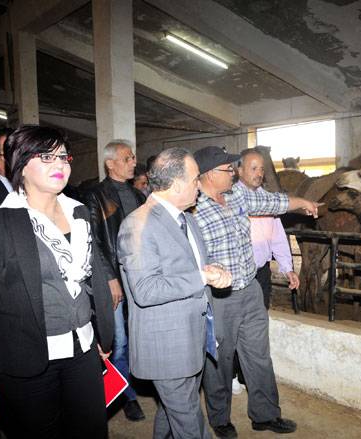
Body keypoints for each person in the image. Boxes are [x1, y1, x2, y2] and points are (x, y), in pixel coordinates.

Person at [0, 125, 114, 439]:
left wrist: (100, 329)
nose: (59, 164)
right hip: (25, 359)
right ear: (19, 163)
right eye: (46, 157)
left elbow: (86, 278)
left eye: (62, 156)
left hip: (83, 352)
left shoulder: (79, 212)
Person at [193, 146, 320, 438]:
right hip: (218, 297)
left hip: (249, 288)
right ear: (210, 174)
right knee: (220, 361)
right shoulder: (193, 206)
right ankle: (220, 418)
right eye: (229, 169)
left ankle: (265, 414)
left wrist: (302, 202)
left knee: (259, 355)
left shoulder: (237, 194)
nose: (234, 173)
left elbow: (273, 202)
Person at [118, 147, 232, 439]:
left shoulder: (187, 219)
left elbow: (192, 267)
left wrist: (213, 271)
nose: (199, 185)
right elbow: (145, 290)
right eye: (195, 179)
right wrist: (200, 277)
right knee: (191, 424)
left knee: (173, 414)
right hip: (166, 344)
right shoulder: (138, 225)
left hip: (193, 338)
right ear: (178, 184)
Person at [84, 140, 146, 421]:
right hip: (115, 280)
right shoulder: (95, 195)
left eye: (133, 157)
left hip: (141, 278)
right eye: (127, 158)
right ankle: (126, 396)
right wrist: (109, 278)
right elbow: (93, 242)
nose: (133, 161)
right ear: (110, 163)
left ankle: (133, 386)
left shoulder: (140, 194)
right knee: (119, 342)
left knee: (138, 338)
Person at [237, 148, 300, 309]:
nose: (259, 173)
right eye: (253, 168)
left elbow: (277, 237)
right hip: (239, 273)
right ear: (240, 170)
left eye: (262, 169)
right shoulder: (230, 198)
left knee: (261, 318)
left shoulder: (268, 199)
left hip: (262, 273)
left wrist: (288, 269)